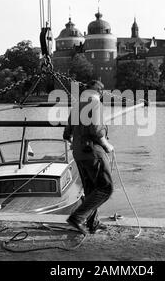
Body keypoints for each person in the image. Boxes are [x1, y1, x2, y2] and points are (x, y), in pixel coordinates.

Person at [63, 80, 114, 234]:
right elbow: (96, 130)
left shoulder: (77, 105)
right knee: (105, 188)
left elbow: (67, 134)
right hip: (93, 152)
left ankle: (92, 223)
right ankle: (78, 217)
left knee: (91, 189)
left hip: (79, 153)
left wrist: (76, 141)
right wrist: (107, 145)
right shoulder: (95, 103)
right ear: (99, 92)